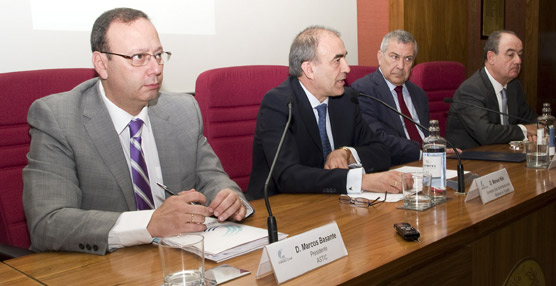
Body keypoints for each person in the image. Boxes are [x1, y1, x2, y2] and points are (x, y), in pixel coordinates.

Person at [22, 8, 252, 255]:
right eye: (139, 57)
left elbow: (212, 177)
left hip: (179, 257)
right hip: (101, 266)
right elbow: (48, 222)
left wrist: (228, 197)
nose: (155, 69)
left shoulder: (184, 110)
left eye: (158, 54)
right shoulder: (57, 118)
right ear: (101, 64)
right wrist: (149, 224)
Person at [246, 26, 405, 201]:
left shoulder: (346, 100)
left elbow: (381, 152)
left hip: (333, 205)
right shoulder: (280, 103)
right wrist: (360, 181)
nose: (347, 68)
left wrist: (347, 153)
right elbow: (288, 176)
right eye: (337, 60)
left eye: (345, 57)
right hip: (281, 208)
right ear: (309, 69)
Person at [445, 30, 538, 149]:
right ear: (491, 57)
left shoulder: (514, 86)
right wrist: (525, 130)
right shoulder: (471, 90)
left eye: (519, 54)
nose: (518, 61)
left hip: (503, 156)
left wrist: (541, 127)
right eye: (510, 55)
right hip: (471, 160)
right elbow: (486, 134)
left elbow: (531, 118)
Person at [351, 30, 429, 165]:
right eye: (394, 57)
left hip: (429, 162)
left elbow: (426, 134)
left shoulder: (418, 93)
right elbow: (376, 138)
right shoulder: (363, 90)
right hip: (395, 165)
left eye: (408, 59)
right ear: (380, 57)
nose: (401, 66)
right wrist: (421, 154)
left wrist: (436, 149)